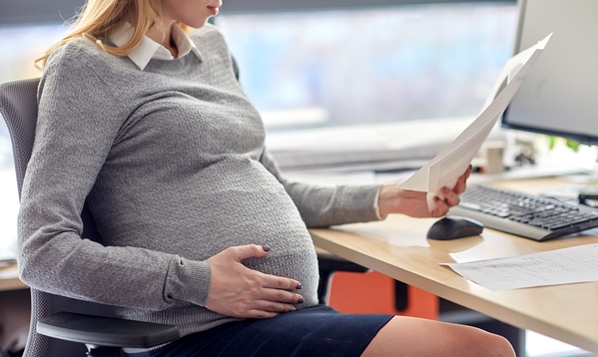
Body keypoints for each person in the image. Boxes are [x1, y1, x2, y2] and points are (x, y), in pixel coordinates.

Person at [18, 0, 515, 356]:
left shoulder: (211, 48)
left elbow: (274, 186)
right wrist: (199, 282)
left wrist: (391, 198)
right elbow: (42, 251)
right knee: (479, 351)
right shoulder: (88, 66)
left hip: (286, 318)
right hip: (194, 333)